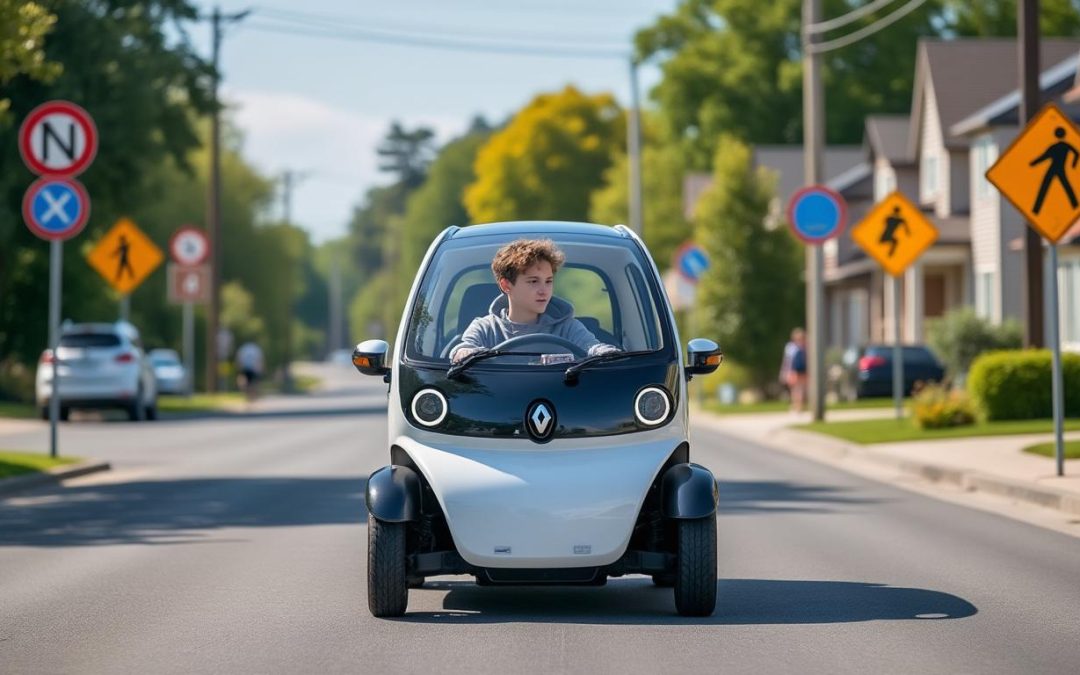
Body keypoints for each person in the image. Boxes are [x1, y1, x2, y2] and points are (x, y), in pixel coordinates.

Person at [450, 239, 620, 363]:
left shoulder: (568, 327)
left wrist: (606, 353)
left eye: (548, 281)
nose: (543, 290)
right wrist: (464, 352)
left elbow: (592, 347)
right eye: (533, 281)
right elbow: (463, 348)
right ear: (506, 285)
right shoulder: (485, 328)